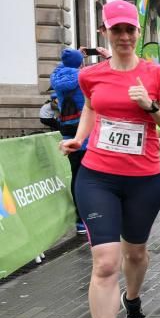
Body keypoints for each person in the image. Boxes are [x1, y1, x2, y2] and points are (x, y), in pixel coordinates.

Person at [60, 0, 160, 318]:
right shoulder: (91, 75)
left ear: (138, 33)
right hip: (97, 176)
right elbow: (92, 109)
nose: (125, 36)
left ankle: (132, 299)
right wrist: (79, 139)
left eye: (130, 30)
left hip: (144, 178)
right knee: (106, 262)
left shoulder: (157, 74)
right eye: (117, 30)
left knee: (137, 252)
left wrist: (149, 106)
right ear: (105, 33)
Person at [51, 48, 89, 232]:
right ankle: (90, 217)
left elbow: (64, 66)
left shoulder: (56, 76)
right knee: (90, 178)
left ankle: (80, 220)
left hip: (68, 132)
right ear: (79, 62)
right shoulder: (83, 76)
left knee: (76, 175)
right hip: (85, 132)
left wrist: (74, 59)